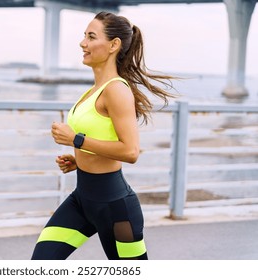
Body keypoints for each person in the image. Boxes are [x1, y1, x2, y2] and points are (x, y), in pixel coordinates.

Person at [31, 11, 176, 260]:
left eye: (91, 36)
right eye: (84, 36)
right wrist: (80, 159)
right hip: (82, 201)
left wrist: (76, 140)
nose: (82, 43)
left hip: (115, 208)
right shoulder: (92, 92)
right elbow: (103, 139)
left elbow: (130, 152)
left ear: (113, 45)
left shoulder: (117, 90)